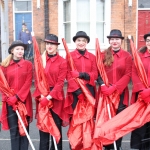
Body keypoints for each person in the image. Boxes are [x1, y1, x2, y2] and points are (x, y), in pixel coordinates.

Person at [97, 29, 132, 150]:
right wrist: (102, 85)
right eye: (112, 39)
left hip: (120, 93)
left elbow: (128, 74)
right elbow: (98, 72)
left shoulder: (127, 56)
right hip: (105, 93)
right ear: (109, 41)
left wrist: (115, 87)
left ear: (121, 41)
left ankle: (118, 146)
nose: (114, 41)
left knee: (118, 122)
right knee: (107, 122)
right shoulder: (103, 55)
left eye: (117, 39)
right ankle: (107, 147)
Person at [33, 34, 68, 150]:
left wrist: (49, 97)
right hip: (42, 96)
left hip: (55, 98)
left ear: (56, 46)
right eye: (48, 44)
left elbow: (60, 82)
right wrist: (42, 95)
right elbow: (37, 79)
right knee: (44, 129)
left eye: (52, 44)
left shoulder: (62, 62)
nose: (49, 46)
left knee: (56, 129)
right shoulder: (40, 60)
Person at [64, 31, 98, 148]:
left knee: (88, 120)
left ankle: (88, 145)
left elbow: (95, 73)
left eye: (84, 41)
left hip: (89, 91)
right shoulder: (70, 56)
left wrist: (82, 74)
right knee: (76, 120)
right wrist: (78, 91)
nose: (81, 43)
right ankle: (75, 145)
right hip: (75, 93)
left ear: (87, 42)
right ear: (75, 42)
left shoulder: (93, 57)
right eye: (79, 40)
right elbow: (68, 75)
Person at [0, 40, 33, 150]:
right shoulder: (4, 66)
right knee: (14, 131)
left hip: (23, 101)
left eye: (22, 49)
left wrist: (17, 97)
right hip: (10, 103)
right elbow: (2, 85)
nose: (20, 51)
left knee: (24, 130)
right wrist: (8, 98)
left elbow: (28, 83)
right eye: (17, 49)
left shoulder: (28, 65)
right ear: (12, 51)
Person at [130, 32, 150, 150]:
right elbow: (134, 73)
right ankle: (138, 147)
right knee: (140, 123)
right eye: (148, 40)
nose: (149, 43)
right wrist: (142, 90)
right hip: (142, 95)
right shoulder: (139, 56)